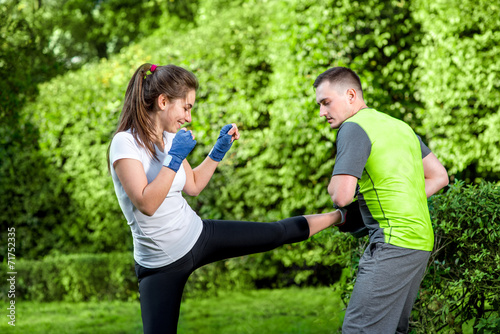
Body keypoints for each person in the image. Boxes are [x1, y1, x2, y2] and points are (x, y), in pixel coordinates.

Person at [107, 63, 345, 333]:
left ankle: (343, 215)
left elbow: (194, 185)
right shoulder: (125, 144)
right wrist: (173, 159)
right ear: (163, 101)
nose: (188, 117)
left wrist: (218, 151)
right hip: (159, 265)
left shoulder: (169, 138)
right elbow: (146, 203)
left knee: (275, 234)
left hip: (197, 235)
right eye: (186, 107)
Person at [313, 67, 449, 334]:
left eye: (326, 102)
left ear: (351, 95)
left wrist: (333, 185)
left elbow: (341, 195)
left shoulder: (353, 127)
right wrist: (397, 196)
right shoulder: (399, 126)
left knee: (359, 330)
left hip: (393, 243)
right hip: (419, 242)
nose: (321, 112)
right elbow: (439, 176)